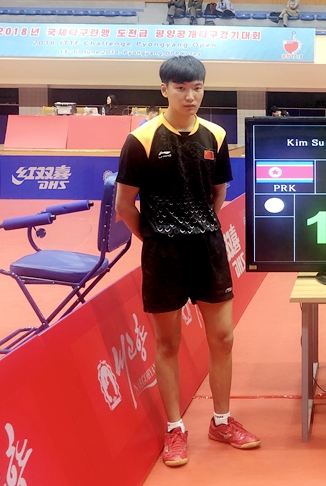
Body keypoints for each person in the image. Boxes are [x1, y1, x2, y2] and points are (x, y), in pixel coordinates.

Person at [115, 56, 261, 468]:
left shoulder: (216, 135)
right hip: (163, 254)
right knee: (168, 344)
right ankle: (175, 428)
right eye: (180, 88)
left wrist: (199, 229)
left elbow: (218, 193)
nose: (190, 95)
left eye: (197, 87)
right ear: (164, 90)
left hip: (208, 249)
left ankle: (222, 421)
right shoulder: (141, 140)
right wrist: (155, 238)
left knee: (223, 338)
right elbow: (125, 205)